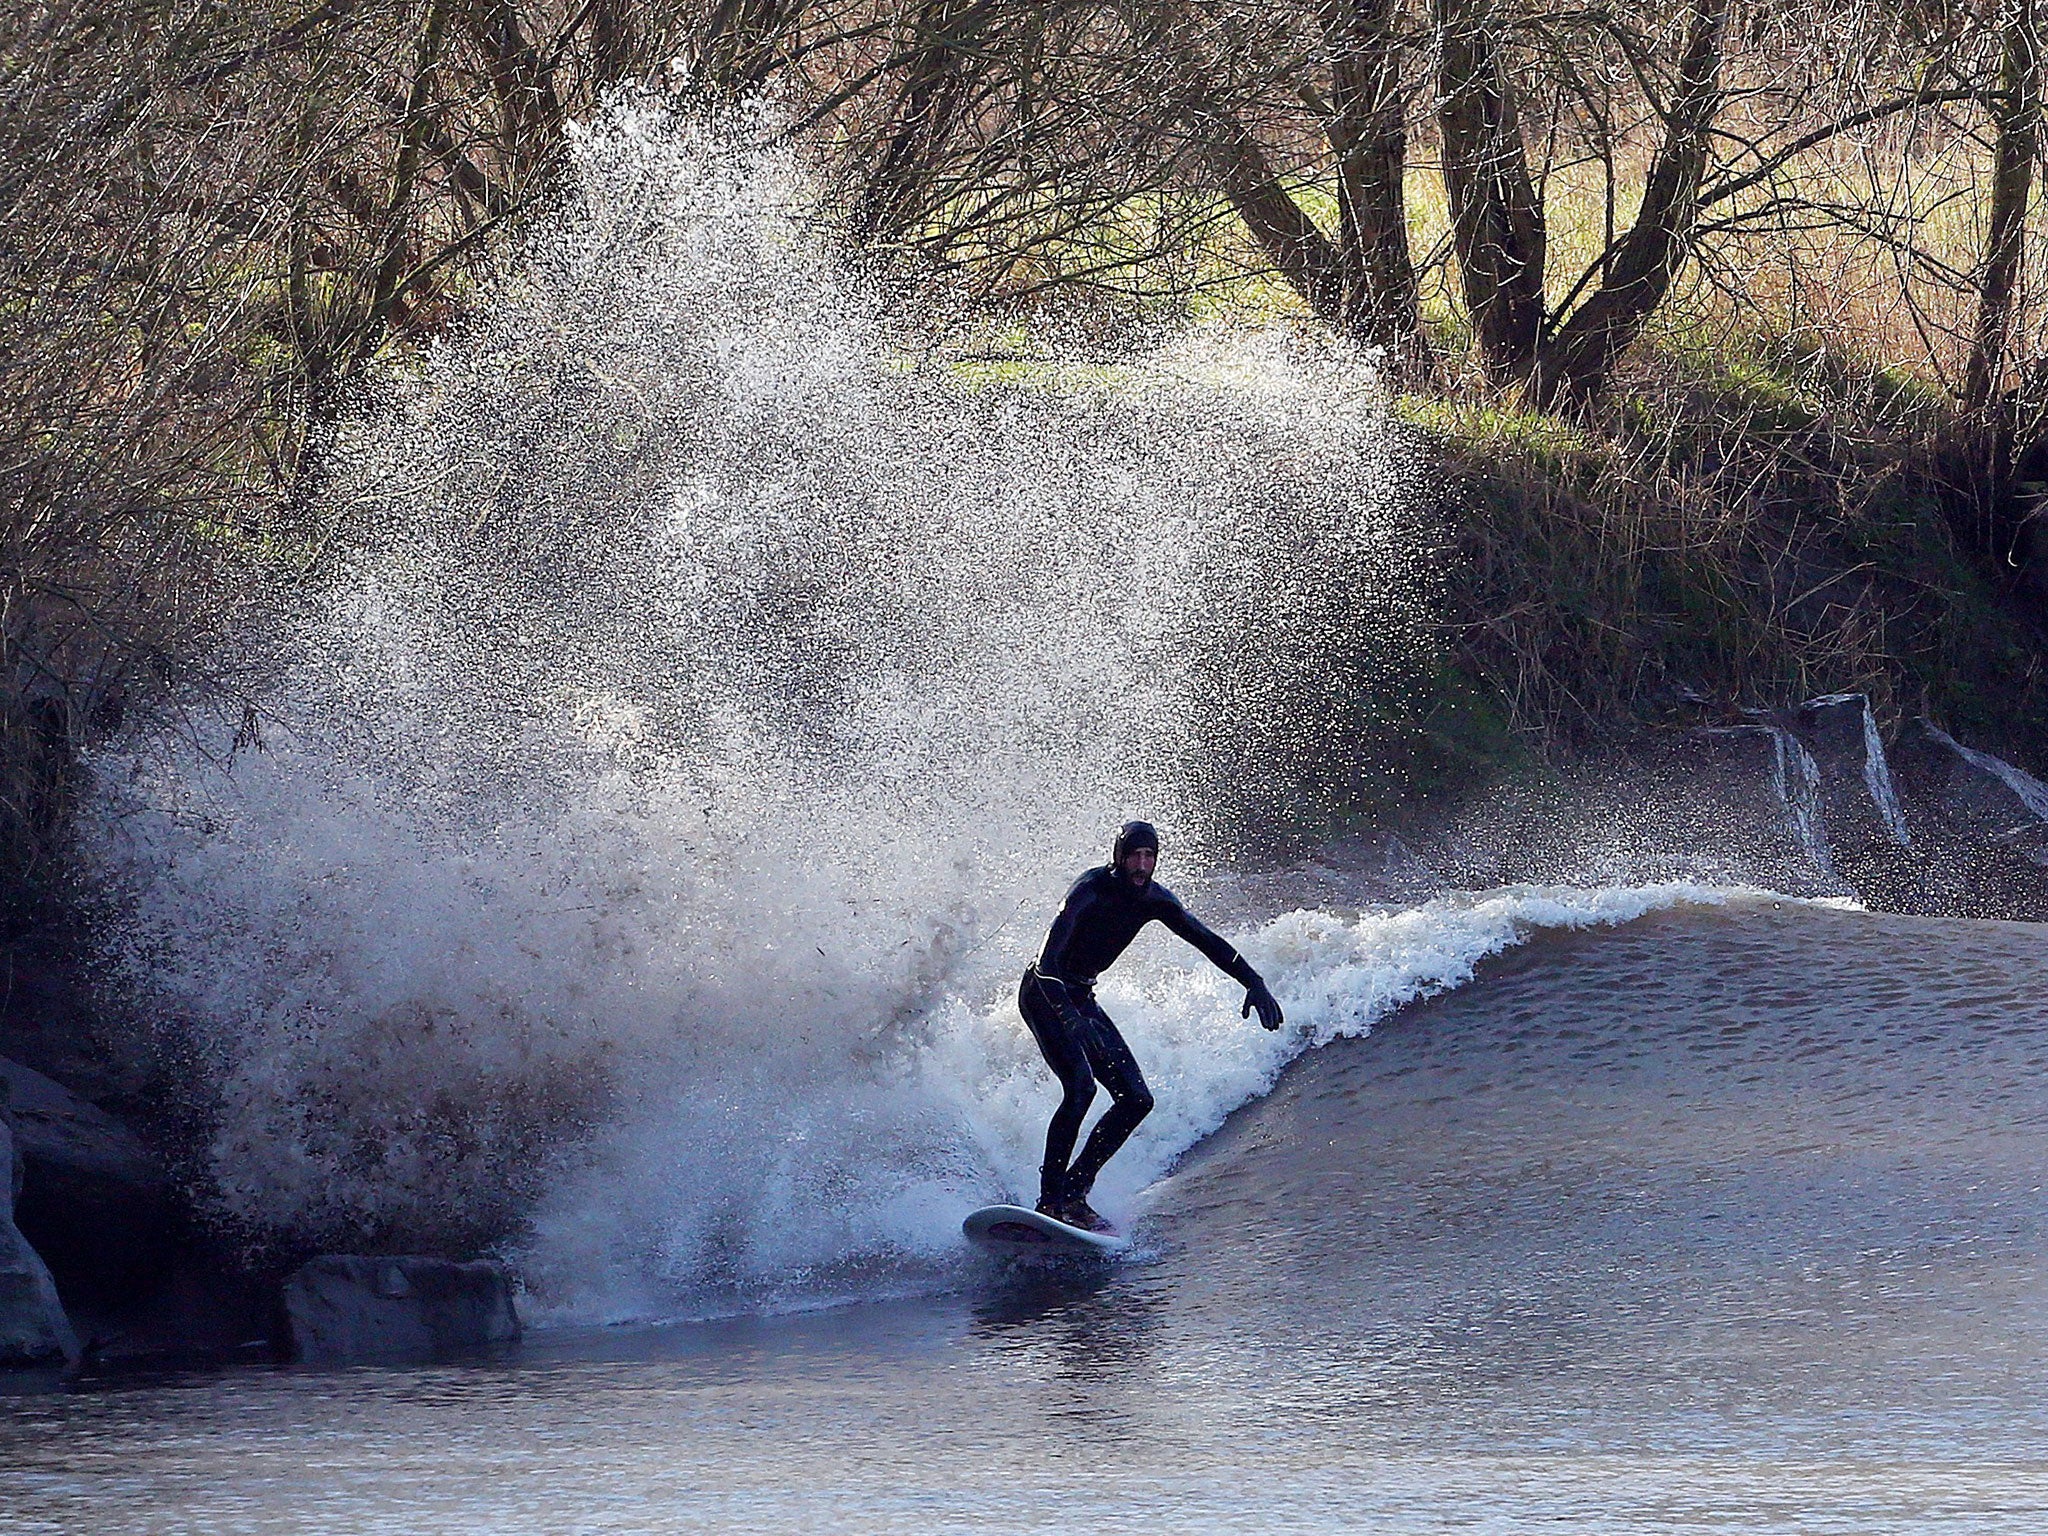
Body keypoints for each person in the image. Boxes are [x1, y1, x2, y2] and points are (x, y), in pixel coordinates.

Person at [1018, 820, 1284, 1233]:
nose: (1142, 865)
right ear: (1119, 857)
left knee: (1136, 1099)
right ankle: (1049, 1199)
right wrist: (1069, 1019)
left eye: (1150, 856)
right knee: (1081, 1087)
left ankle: (1075, 1193)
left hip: (1082, 997)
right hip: (1044, 992)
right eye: (1134, 856)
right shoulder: (1088, 891)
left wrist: (1254, 982)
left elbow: (1207, 940)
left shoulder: (1155, 900)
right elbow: (1046, 963)